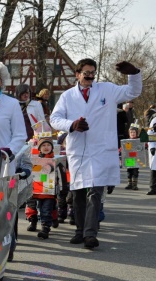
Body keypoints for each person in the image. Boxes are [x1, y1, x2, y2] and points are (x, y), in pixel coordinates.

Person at [50, 58, 142, 249]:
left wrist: (134, 74)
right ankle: (80, 230)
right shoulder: (67, 96)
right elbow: (54, 118)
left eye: (93, 72)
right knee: (78, 193)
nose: (90, 75)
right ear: (77, 74)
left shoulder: (106, 90)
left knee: (95, 192)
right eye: (86, 72)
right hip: (78, 149)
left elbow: (133, 91)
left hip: (101, 149)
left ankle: (90, 234)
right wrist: (71, 125)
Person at [28, 137, 65, 240]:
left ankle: (45, 228)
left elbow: (62, 175)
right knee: (37, 207)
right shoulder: (35, 160)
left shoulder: (56, 159)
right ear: (39, 148)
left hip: (50, 191)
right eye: (43, 145)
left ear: (52, 147)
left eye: (48, 145)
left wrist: (63, 188)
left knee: (45, 209)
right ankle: (41, 220)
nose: (46, 147)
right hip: (37, 190)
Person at [124, 126, 141, 190]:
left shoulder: (138, 141)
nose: (132, 133)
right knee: (129, 171)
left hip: (136, 158)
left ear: (136, 133)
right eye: (131, 132)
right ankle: (129, 184)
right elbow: (123, 148)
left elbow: (142, 147)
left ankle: (134, 185)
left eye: (134, 132)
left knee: (135, 171)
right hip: (129, 158)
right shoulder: (127, 141)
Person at [147, 117, 156, 195]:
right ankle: (153, 187)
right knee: (154, 167)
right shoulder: (155, 120)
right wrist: (152, 147)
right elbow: (150, 134)